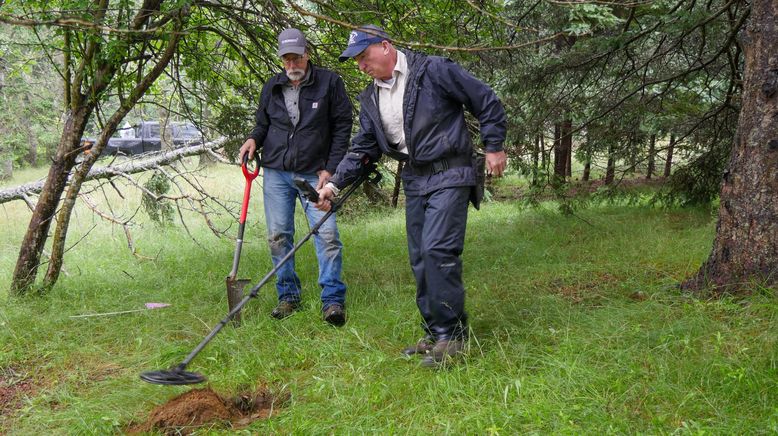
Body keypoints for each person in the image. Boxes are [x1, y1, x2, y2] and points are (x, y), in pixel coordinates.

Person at [316, 25, 507, 366]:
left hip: (451, 170)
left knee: (438, 249)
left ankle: (453, 338)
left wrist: (494, 145)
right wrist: (333, 185)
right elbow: (364, 147)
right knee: (419, 256)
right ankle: (435, 332)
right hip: (416, 179)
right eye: (356, 61)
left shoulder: (433, 70)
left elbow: (484, 99)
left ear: (385, 47)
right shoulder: (370, 99)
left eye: (364, 56)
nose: (361, 65)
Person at [238, 28, 353, 326]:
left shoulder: (330, 83)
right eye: (286, 59)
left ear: (307, 54)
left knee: (326, 235)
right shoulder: (272, 86)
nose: (292, 65)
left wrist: (331, 167)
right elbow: (262, 124)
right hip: (276, 172)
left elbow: (343, 127)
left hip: (315, 174)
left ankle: (332, 301)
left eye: (296, 57)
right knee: (278, 237)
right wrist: (253, 139)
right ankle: (288, 297)